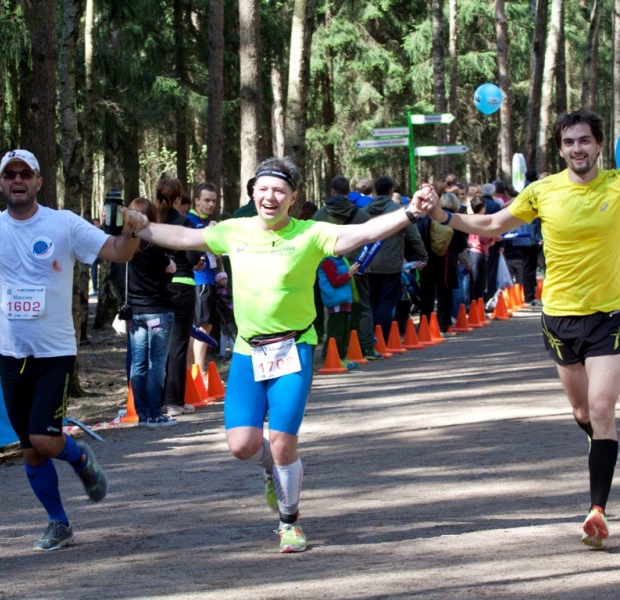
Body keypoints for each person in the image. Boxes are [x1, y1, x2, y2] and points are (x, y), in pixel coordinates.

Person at [136, 156, 438, 553]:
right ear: (253, 194)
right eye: (262, 189)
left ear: (293, 198)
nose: (270, 196)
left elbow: (363, 233)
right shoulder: (234, 231)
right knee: (242, 445)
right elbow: (182, 239)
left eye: (279, 190)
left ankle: (289, 520)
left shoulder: (310, 233)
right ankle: (270, 471)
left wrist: (411, 211)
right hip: (248, 352)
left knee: (282, 442)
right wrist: (139, 224)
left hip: (294, 348)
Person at [429, 107, 620, 548]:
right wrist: (442, 215)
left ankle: (597, 510)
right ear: (561, 148)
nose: (577, 149)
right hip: (559, 320)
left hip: (609, 319)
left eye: (584, 140)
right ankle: (601, 446)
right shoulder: (542, 191)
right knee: (583, 414)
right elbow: (493, 224)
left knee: (602, 409)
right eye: (569, 142)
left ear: (599, 144)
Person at [0, 102, 148, 552]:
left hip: (54, 352)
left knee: (46, 437)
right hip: (9, 353)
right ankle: (59, 523)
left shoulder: (62, 224)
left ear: (38, 182)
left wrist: (133, 230)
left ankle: (80, 458)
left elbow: (118, 252)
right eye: (10, 175)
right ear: (2, 183)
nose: (17, 181)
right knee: (31, 449)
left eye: (26, 174)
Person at [112, 197, 178, 427]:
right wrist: (171, 268)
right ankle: (153, 412)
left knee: (138, 363)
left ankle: (141, 413)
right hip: (158, 310)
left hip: (135, 313)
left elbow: (116, 278)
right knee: (157, 363)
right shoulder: (154, 247)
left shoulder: (122, 248)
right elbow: (166, 273)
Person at [312, 176, 380, 360]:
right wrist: (365, 265)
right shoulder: (361, 214)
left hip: (329, 269)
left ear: (332, 191)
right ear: (348, 191)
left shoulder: (319, 217)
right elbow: (372, 240)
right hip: (358, 266)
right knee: (362, 308)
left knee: (333, 314)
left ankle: (333, 351)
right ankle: (365, 348)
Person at [157, 179, 201, 418]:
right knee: (179, 344)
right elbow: (194, 254)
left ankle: (156, 399)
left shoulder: (153, 222)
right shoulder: (184, 222)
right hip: (183, 285)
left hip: (159, 287)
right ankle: (174, 400)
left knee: (159, 345)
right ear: (177, 199)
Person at [366, 175, 427, 342]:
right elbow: (414, 236)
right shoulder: (399, 211)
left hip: (368, 264)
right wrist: (423, 256)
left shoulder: (365, 210)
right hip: (392, 264)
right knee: (386, 302)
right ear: (391, 191)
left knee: (372, 302)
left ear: (375, 191)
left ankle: (370, 337)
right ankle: (383, 337)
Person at [186, 182, 220, 379]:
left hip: (209, 278)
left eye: (214, 201)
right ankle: (199, 372)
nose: (210, 204)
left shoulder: (208, 221)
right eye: (206, 200)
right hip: (198, 281)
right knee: (201, 327)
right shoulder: (189, 220)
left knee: (205, 325)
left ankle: (195, 371)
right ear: (196, 200)